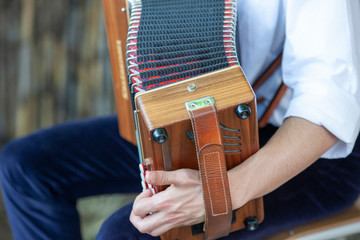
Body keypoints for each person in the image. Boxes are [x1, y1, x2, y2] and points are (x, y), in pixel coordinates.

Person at [1, 0, 360, 239]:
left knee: (121, 234)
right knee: (26, 168)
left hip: (310, 149)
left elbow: (326, 107)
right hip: (199, 119)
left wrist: (219, 193)